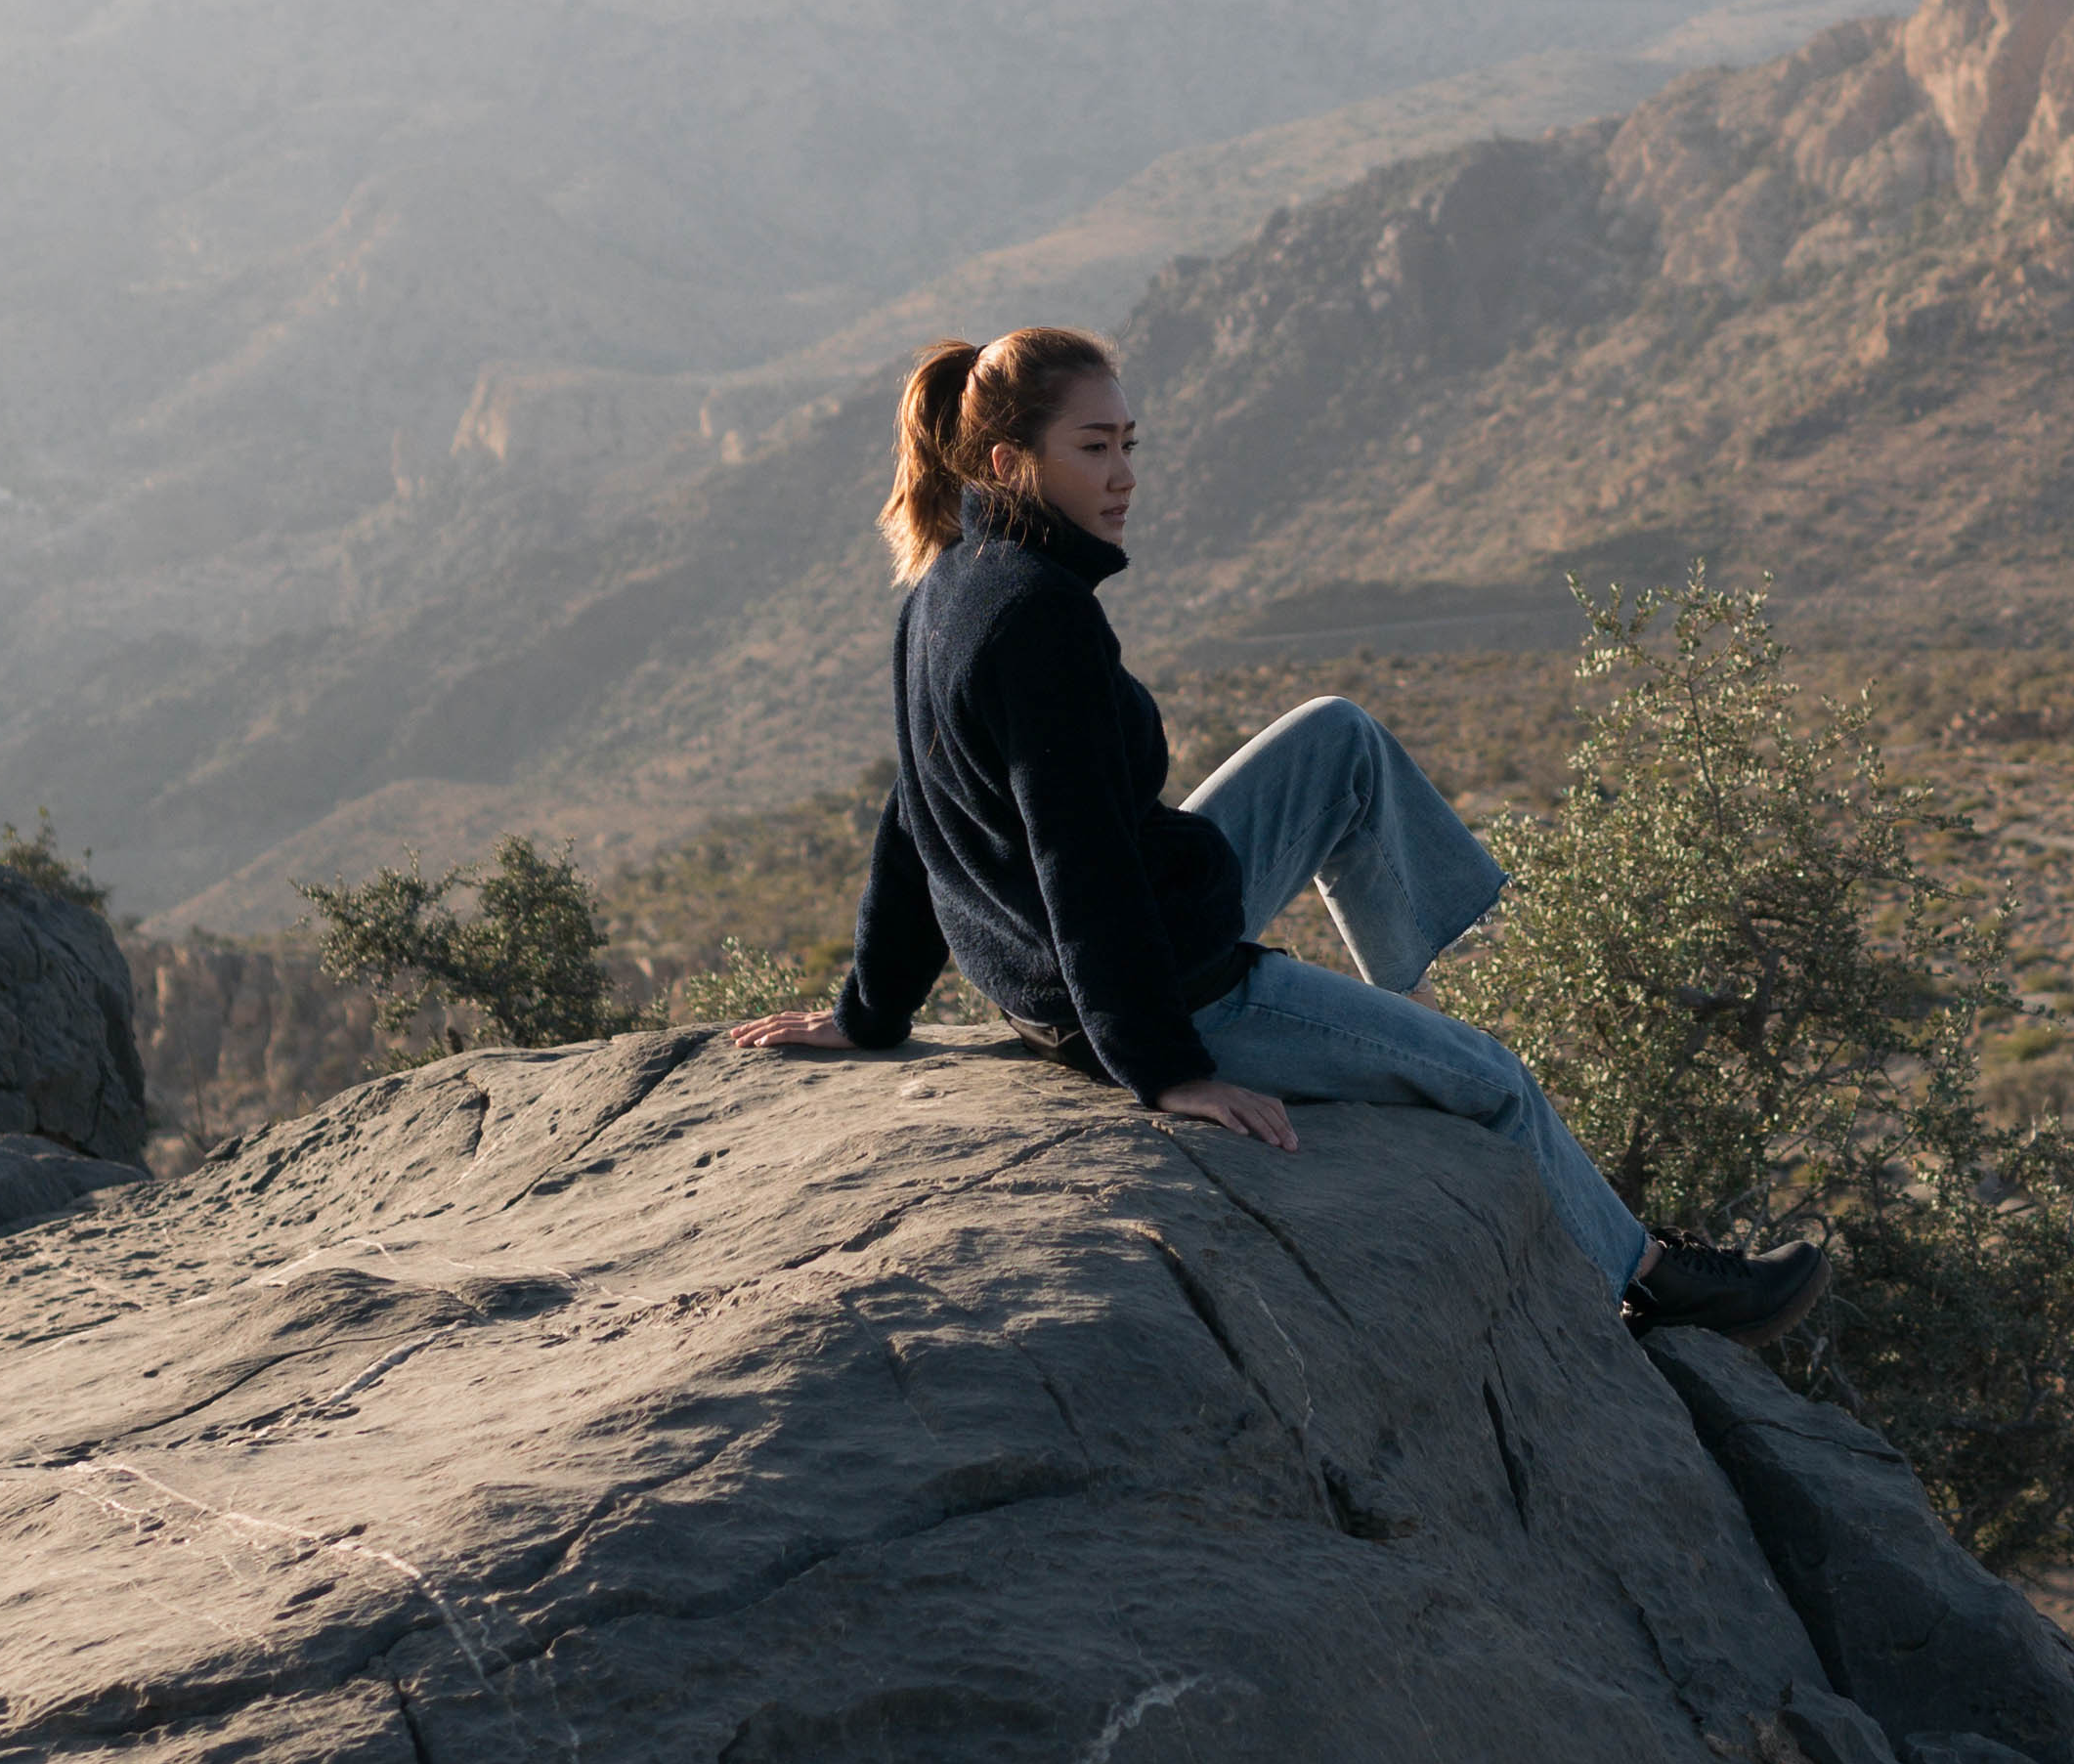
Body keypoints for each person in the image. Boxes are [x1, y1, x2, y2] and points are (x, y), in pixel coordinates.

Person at [725, 323, 1827, 1342]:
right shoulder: (1034, 615)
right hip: (1167, 981)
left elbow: (916, 810)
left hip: (1133, 927)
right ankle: (1649, 1280)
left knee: (1334, 739)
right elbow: (1079, 866)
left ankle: (1394, 1024)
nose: (1122, 476)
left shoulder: (946, 582)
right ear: (1011, 463)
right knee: (1494, 1082)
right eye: (1093, 447)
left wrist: (870, 1013)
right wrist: (1163, 1068)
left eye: (1128, 444)